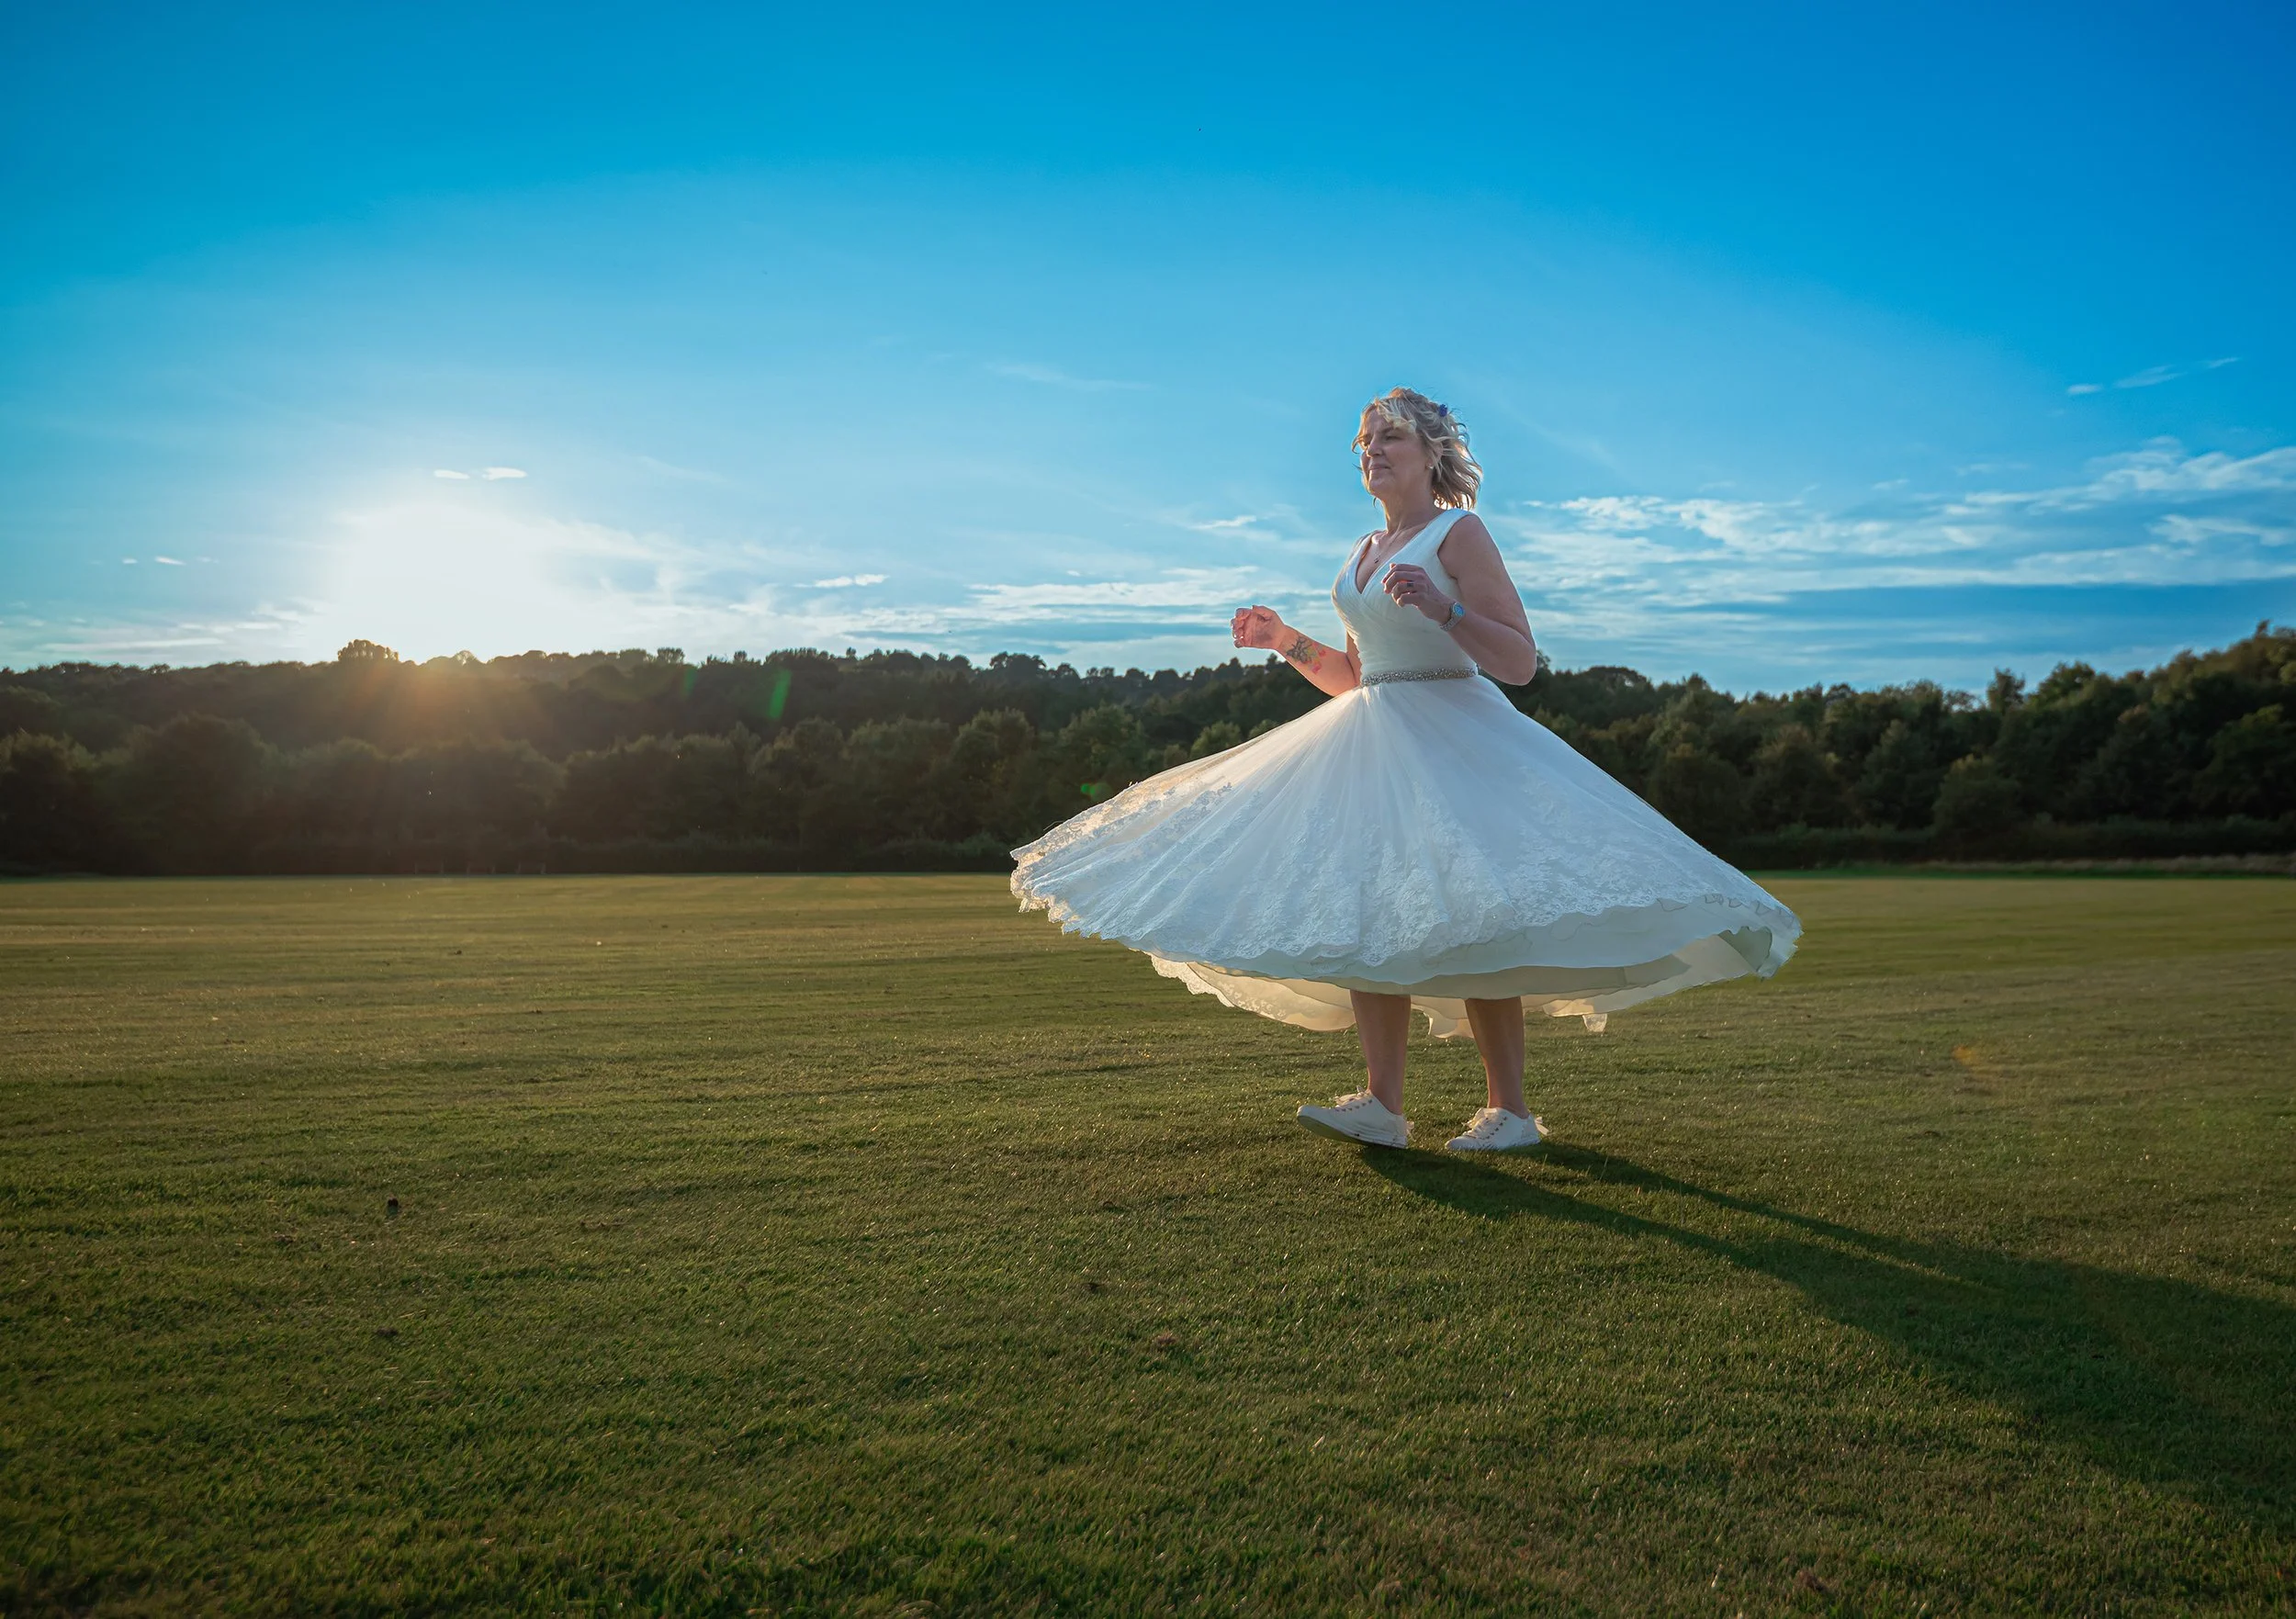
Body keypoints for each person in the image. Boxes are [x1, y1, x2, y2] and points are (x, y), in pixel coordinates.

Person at [1012, 388, 1799, 1152]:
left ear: (1432, 453)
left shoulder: (1459, 536)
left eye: (1389, 437)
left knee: (1478, 914)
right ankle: (1382, 1105)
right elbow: (1360, 676)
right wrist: (1286, 640)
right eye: (1365, 441)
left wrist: (1444, 608)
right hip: (1372, 739)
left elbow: (1520, 661)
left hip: (1460, 739)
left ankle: (1510, 1111)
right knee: (1366, 908)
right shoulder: (1362, 552)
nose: (1373, 451)